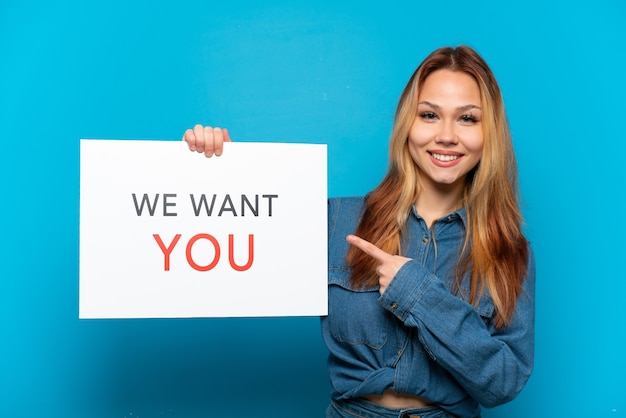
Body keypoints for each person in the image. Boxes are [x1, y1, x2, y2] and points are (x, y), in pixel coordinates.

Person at [182, 45, 535, 418]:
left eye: (467, 118)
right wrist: (218, 173)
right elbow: (235, 251)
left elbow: (504, 382)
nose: (446, 135)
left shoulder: (509, 250)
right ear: (407, 124)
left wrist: (415, 292)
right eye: (429, 115)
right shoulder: (336, 220)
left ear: (488, 132)